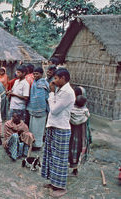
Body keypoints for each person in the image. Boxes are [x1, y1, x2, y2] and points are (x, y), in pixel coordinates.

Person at [41, 68, 75, 198]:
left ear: (63, 78)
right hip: (53, 126)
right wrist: (53, 93)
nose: (54, 81)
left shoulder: (68, 92)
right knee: (51, 155)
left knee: (60, 158)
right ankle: (54, 182)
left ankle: (61, 187)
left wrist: (51, 94)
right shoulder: (60, 90)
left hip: (61, 128)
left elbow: (54, 109)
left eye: (56, 78)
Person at [27, 67, 49, 150]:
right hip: (33, 109)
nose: (35, 75)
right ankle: (32, 142)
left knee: (39, 129)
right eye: (34, 74)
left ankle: (38, 145)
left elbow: (45, 97)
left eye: (37, 74)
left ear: (41, 74)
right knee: (33, 128)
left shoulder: (43, 83)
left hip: (41, 110)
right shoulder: (35, 82)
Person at [69, 95, 90, 176]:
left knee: (68, 150)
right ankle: (75, 169)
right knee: (77, 153)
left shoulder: (71, 110)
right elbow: (85, 129)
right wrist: (85, 143)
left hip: (70, 134)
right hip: (79, 137)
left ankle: (66, 166)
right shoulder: (85, 113)